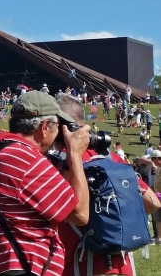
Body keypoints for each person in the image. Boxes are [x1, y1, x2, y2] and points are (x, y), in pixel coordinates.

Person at [0, 91, 91, 276]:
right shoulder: (25, 158)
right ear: (44, 127)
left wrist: (66, 162)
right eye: (58, 126)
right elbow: (80, 214)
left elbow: (56, 204)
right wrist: (75, 154)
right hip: (23, 266)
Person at [56, 94, 160, 276]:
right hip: (120, 262)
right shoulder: (112, 157)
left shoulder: (60, 162)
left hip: (78, 262)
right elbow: (152, 203)